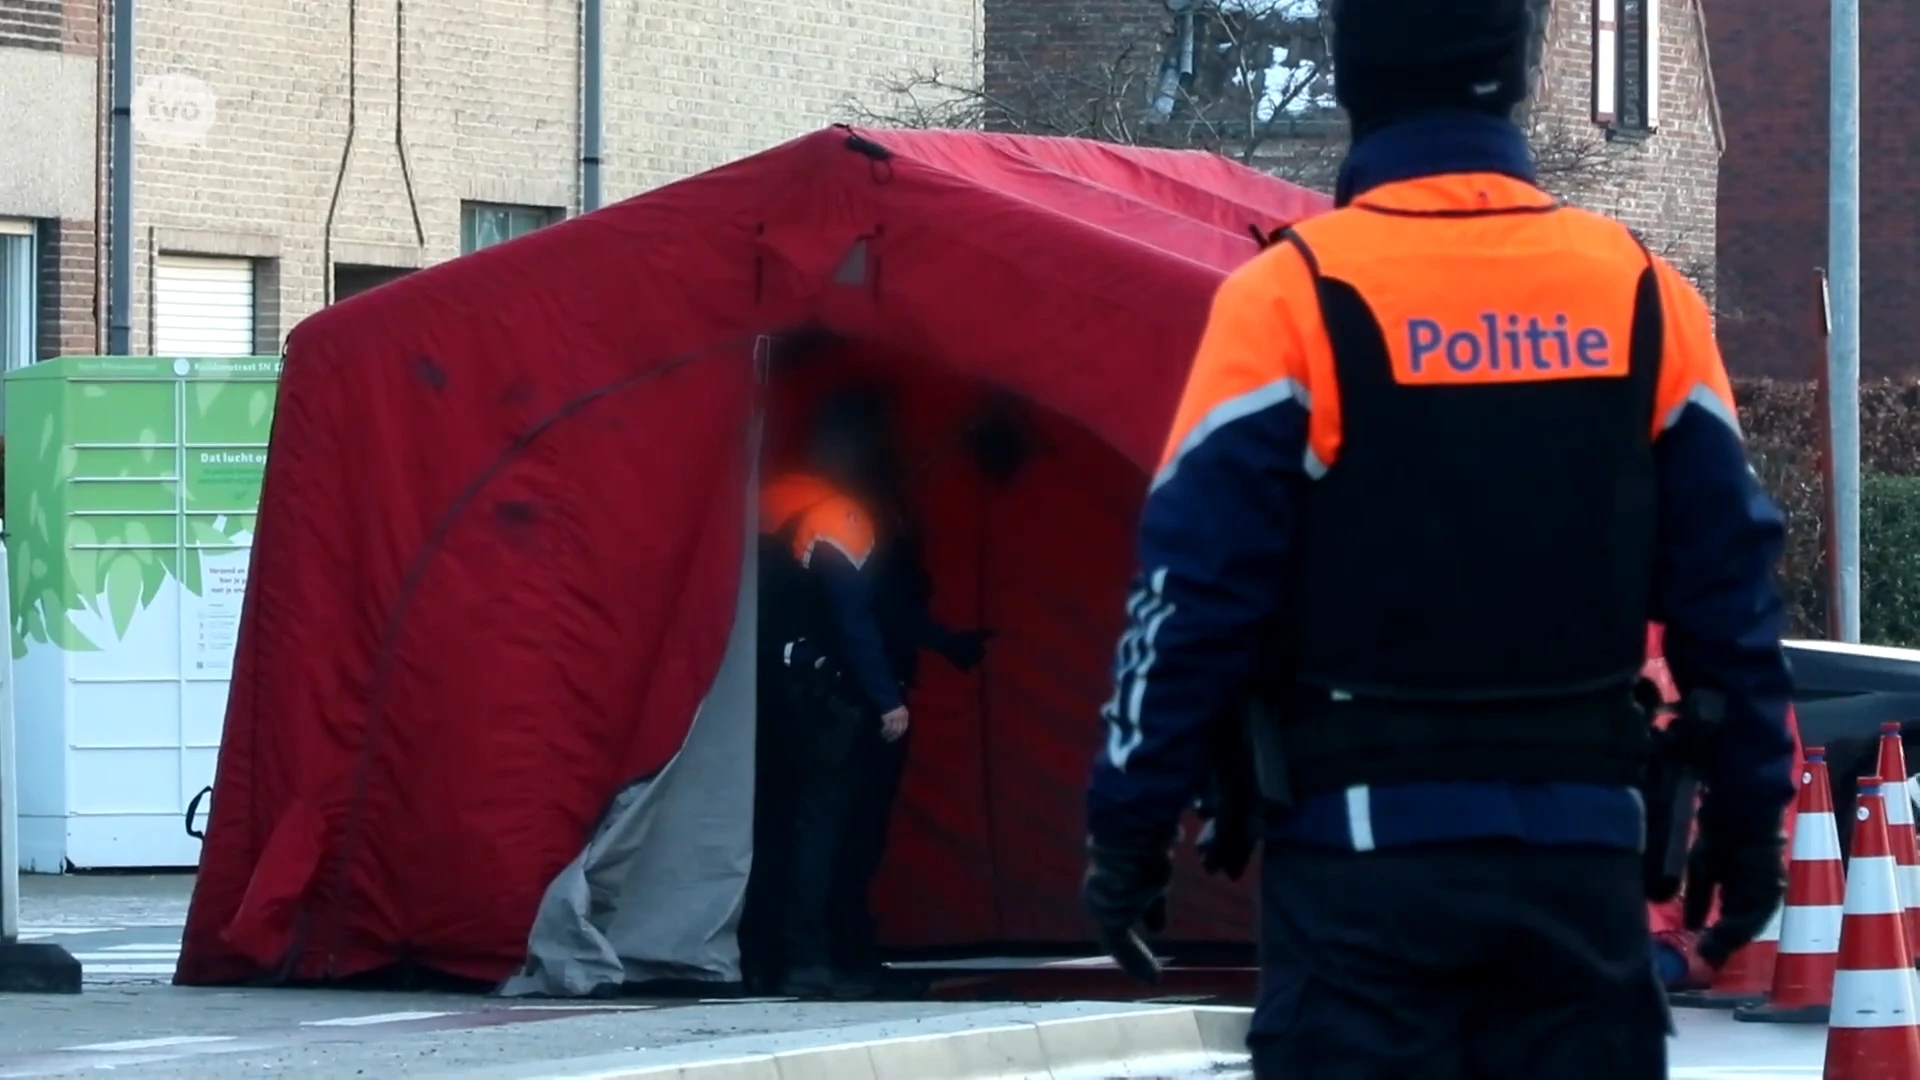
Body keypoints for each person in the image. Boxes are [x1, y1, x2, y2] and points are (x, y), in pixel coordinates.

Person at [1078, 1, 1797, 1076]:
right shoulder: (1642, 295)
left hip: (1360, 867)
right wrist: (1750, 826)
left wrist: (1128, 829)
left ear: (1352, 78)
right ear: (1519, 75)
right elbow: (1732, 604)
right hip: (1581, 863)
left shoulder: (1294, 297)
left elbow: (1189, 603)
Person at [741, 399, 909, 1000]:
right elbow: (854, 615)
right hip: (823, 696)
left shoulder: (764, 496)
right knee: (825, 825)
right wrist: (886, 697)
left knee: (771, 822)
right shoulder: (840, 514)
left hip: (758, 690)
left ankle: (757, 950)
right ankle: (811, 957)